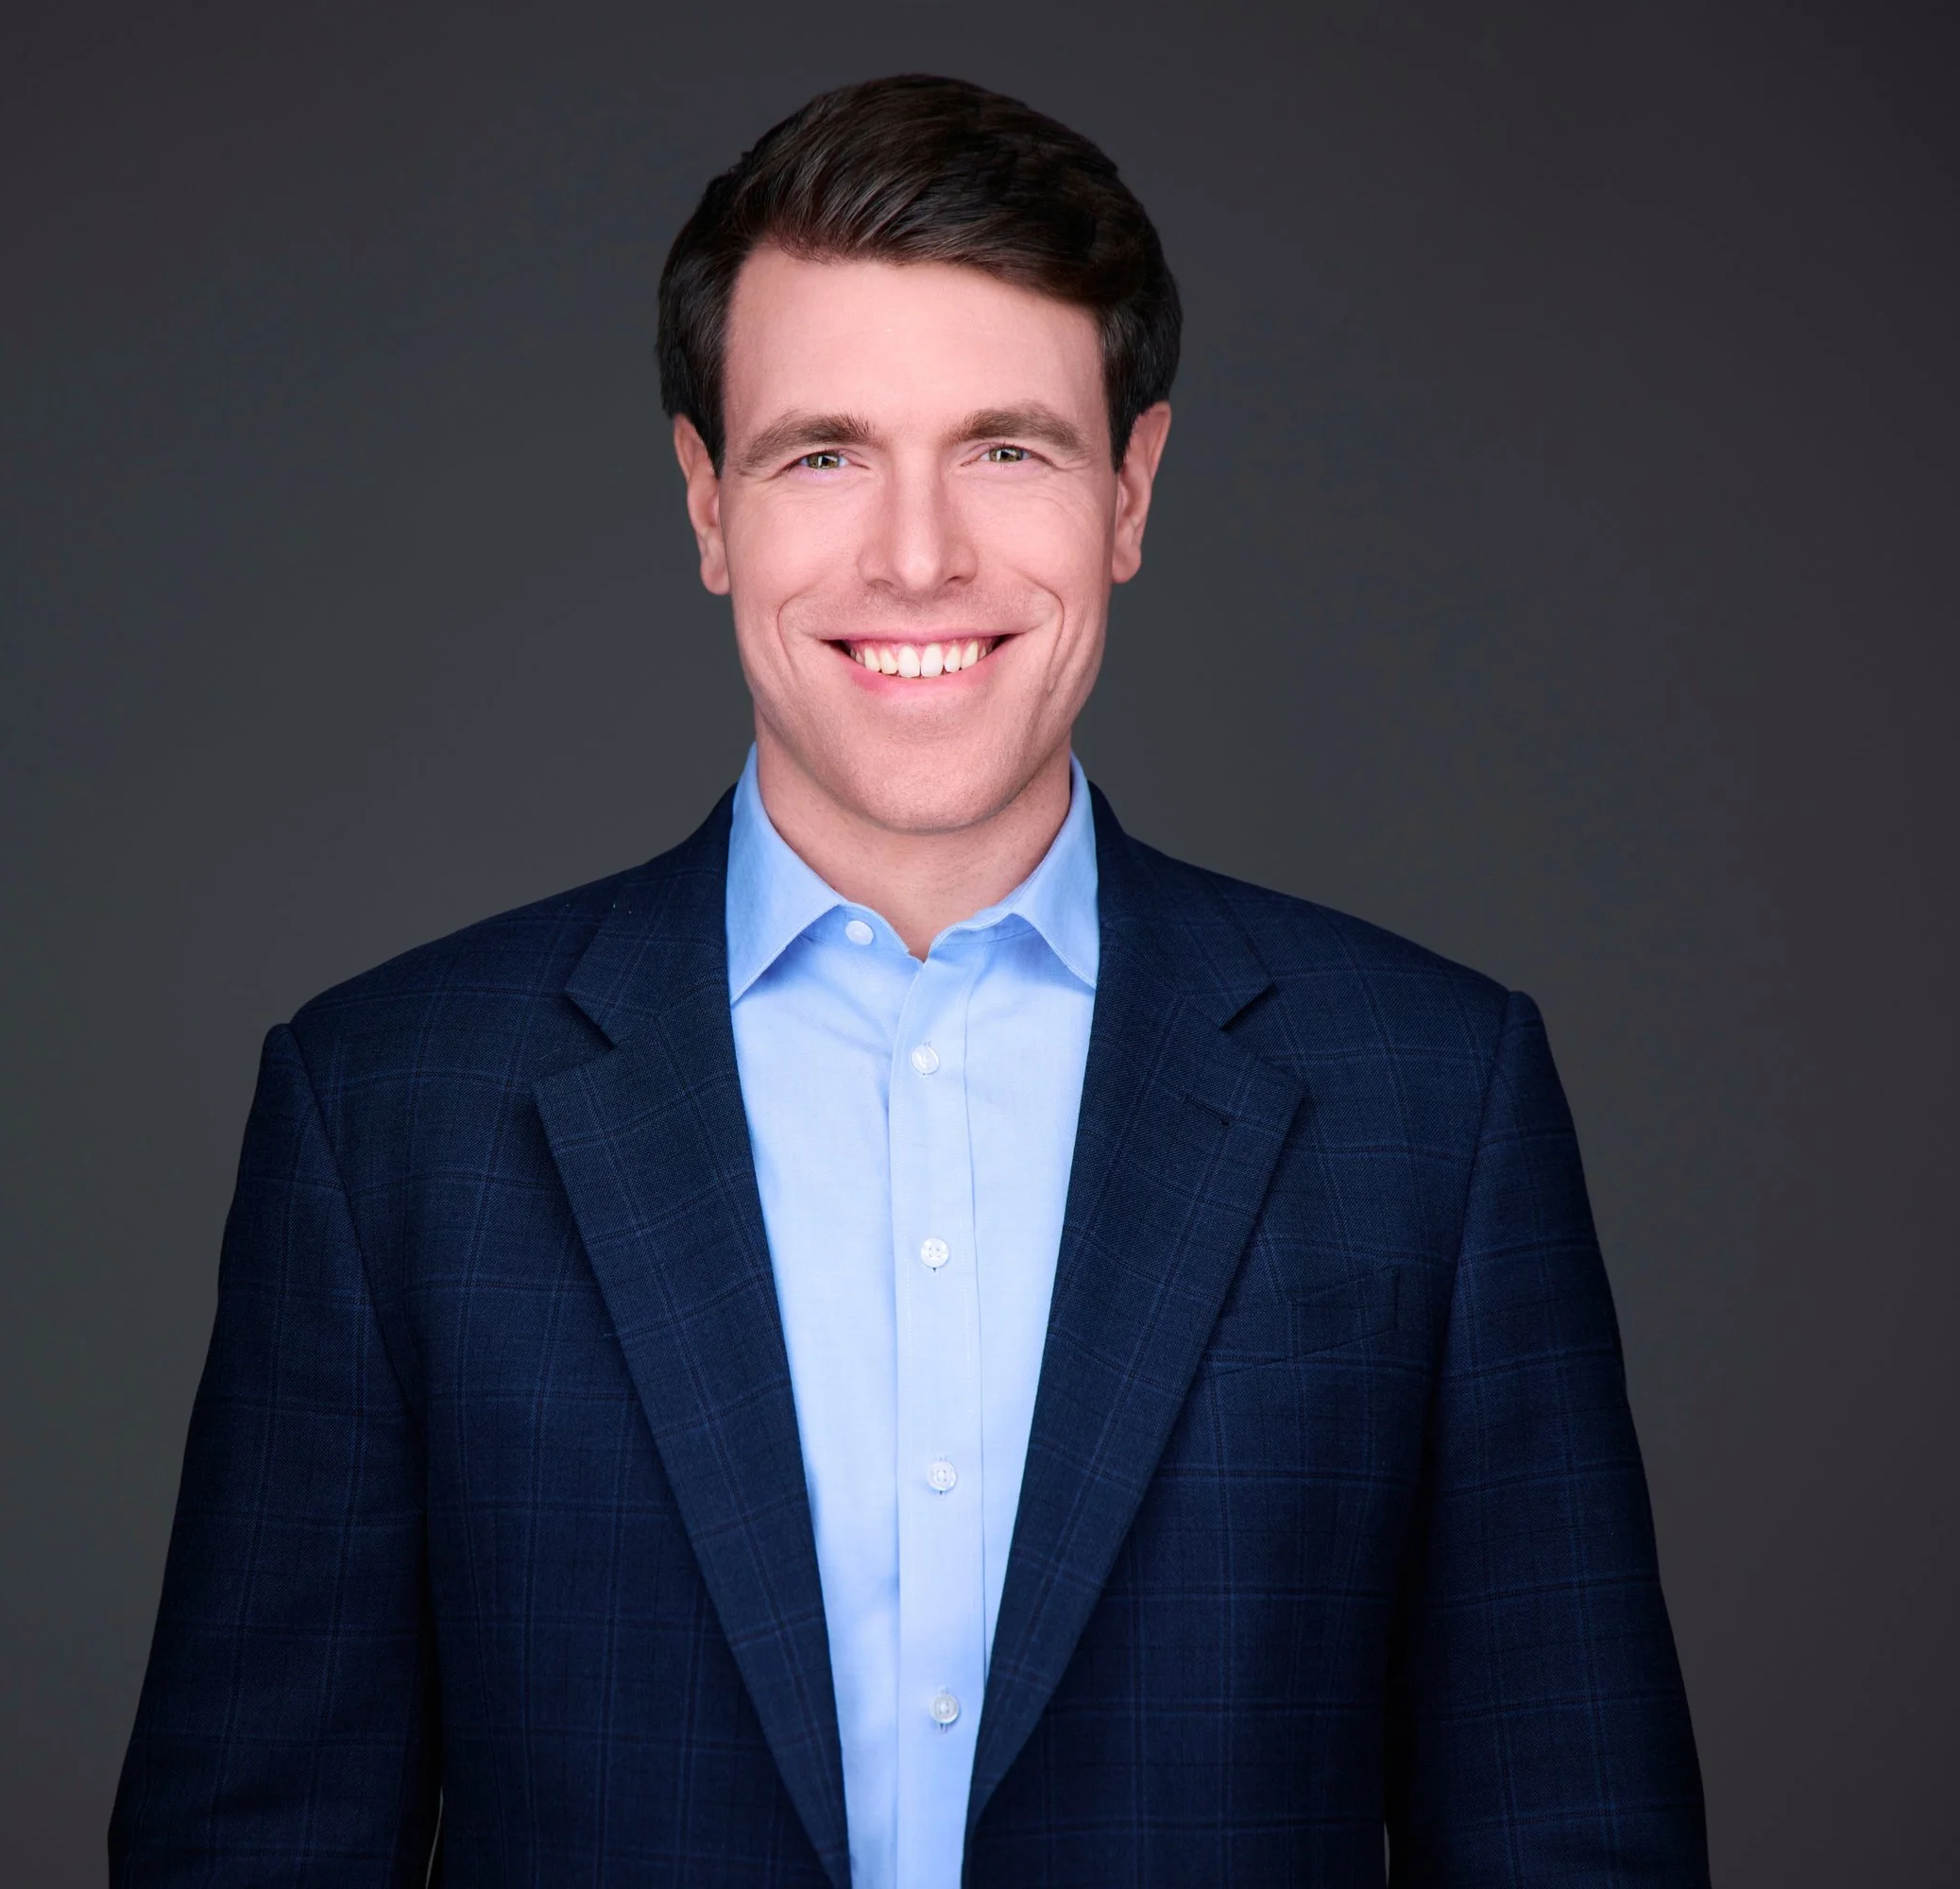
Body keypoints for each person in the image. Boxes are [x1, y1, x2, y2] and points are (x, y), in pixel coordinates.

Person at [111, 74, 1708, 1887]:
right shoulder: (387, 1111)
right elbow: (248, 1852)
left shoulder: (1434, 1099)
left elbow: (1578, 1839)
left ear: (1134, 490)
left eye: (1008, 447)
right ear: (709, 505)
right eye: (825, 452)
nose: (920, 553)